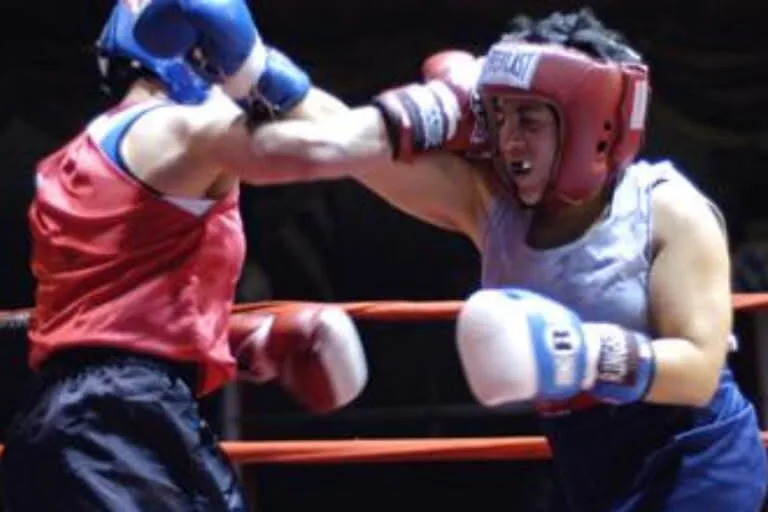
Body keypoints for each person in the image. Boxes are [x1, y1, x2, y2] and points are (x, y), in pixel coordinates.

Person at [136, 5, 767, 511]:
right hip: (587, 458)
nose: (510, 140)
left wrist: (576, 352)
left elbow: (699, 369)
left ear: (591, 125)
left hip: (695, 452)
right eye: (500, 116)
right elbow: (358, 145)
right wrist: (251, 68)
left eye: (531, 120)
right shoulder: (492, 208)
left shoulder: (666, 209)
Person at [0, 1, 369, 510]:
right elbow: (334, 148)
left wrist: (227, 341)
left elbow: (100, 310)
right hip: (127, 424)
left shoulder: (69, 158)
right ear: (197, 56)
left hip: (49, 424)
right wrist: (258, 73)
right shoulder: (182, 132)